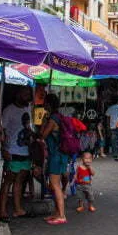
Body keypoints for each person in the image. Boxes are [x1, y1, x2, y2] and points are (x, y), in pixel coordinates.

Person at [40, 93, 71, 225]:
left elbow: (43, 134)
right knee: (54, 185)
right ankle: (57, 213)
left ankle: (62, 215)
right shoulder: (58, 116)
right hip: (60, 154)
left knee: (54, 185)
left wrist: (43, 122)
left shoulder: (53, 119)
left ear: (49, 104)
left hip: (56, 155)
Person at [0, 107, 33, 220]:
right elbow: (2, 131)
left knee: (19, 181)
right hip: (12, 152)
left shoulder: (28, 109)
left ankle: (18, 208)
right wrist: (4, 148)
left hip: (24, 153)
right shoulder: (9, 110)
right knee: (8, 181)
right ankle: (2, 210)